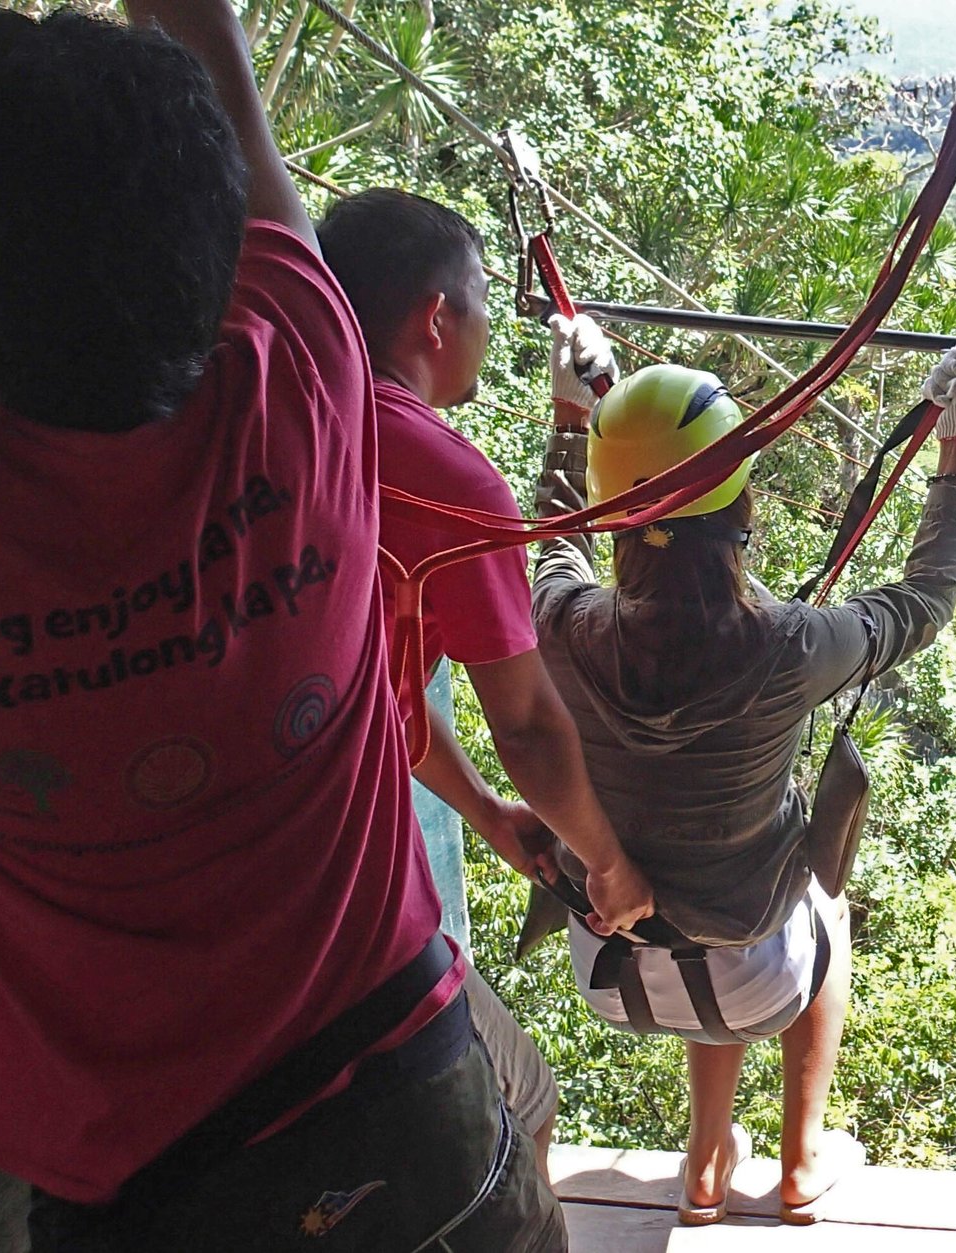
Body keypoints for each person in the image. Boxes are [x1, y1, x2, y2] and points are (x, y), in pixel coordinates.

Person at [0, 3, 600, 1247]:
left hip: (145, 1194)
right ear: (221, 241)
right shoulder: (306, 389)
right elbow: (220, 66)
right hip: (411, 1107)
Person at [527, 313, 956, 1224]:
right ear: (743, 509)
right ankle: (799, 1158)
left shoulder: (564, 625)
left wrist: (572, 416)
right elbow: (926, 600)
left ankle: (705, 1157)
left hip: (609, 967)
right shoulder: (789, 647)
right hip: (755, 977)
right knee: (817, 899)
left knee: (719, 897)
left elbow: (554, 537)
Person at [314, 187, 654, 1181]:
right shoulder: (440, 474)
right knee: (518, 1104)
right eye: (478, 310)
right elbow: (531, 722)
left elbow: (386, 685)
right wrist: (608, 861)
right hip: (335, 876)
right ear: (434, 317)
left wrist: (489, 814)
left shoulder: (288, 425)